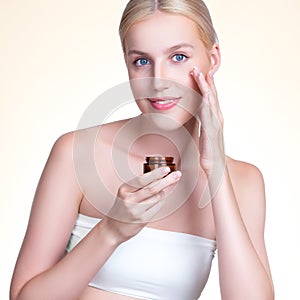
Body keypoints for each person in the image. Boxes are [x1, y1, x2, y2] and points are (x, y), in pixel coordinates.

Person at [10, 0, 274, 299]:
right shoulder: (76, 153)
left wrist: (216, 173)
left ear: (212, 59)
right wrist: (111, 230)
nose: (158, 81)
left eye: (178, 56)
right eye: (142, 61)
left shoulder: (244, 181)